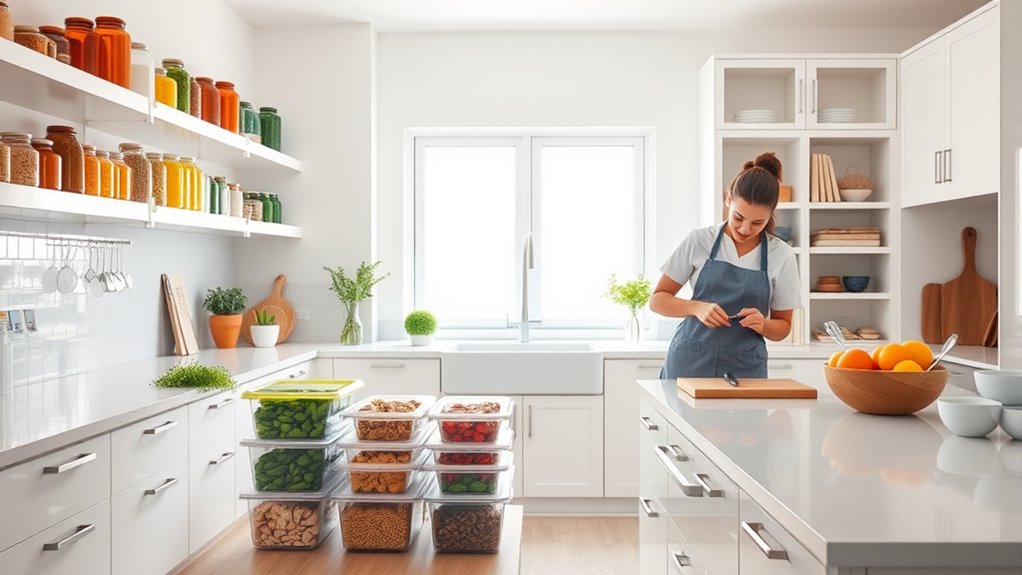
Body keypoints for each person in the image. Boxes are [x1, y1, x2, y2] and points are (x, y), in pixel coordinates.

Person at [652, 152, 801, 379]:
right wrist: (697, 308)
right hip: (689, 361)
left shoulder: (781, 254)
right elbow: (657, 300)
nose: (745, 229)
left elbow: (783, 326)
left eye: (757, 223)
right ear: (728, 199)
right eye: (738, 217)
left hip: (745, 367)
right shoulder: (700, 240)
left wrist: (763, 324)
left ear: (771, 214)